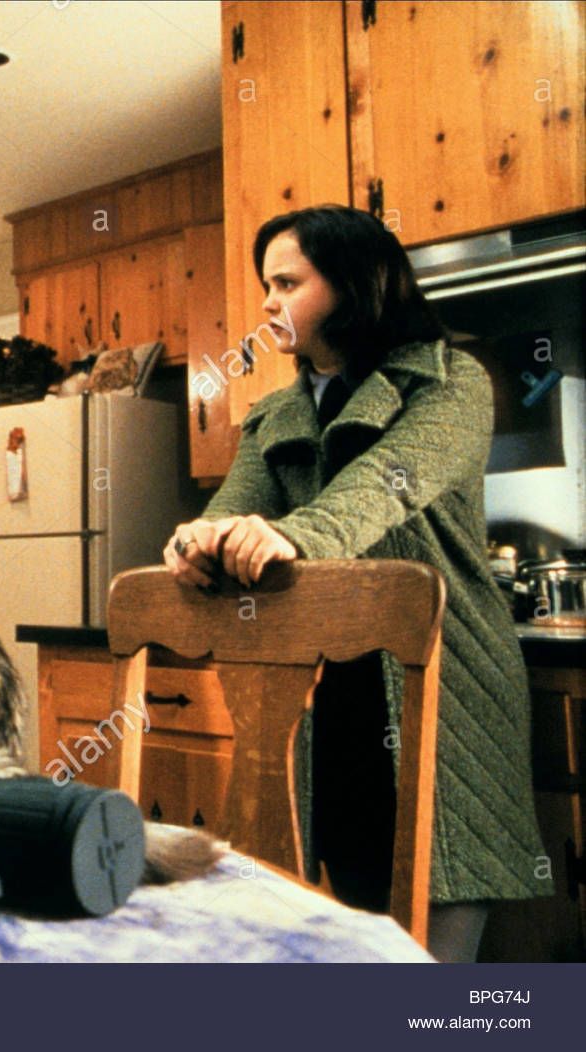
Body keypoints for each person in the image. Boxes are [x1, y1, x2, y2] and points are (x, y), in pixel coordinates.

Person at [163, 205, 549, 962]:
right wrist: (194, 543)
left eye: (287, 283)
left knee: (437, 938)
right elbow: (229, 510)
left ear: (352, 284)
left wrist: (294, 535)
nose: (267, 303)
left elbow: (385, 485)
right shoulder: (276, 414)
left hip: (444, 679)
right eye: (266, 285)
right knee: (358, 931)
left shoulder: (449, 381)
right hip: (328, 693)